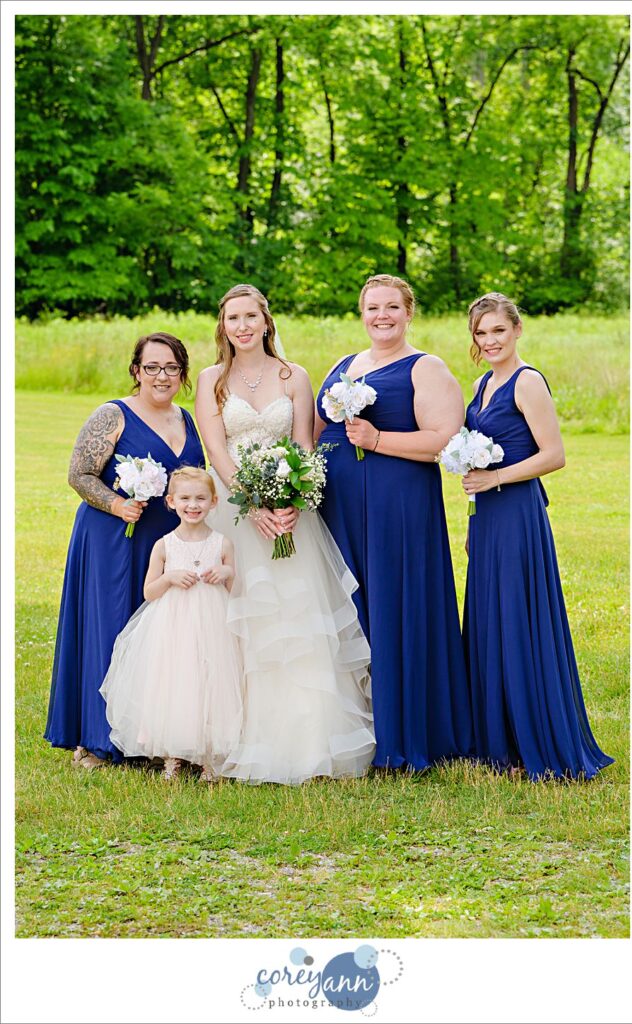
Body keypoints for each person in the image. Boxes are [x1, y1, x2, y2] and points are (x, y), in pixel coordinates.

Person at [195, 283, 375, 785]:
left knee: (299, 623)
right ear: (223, 325)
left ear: (267, 321)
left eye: (251, 316)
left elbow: (303, 444)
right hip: (237, 514)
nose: (243, 326)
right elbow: (218, 454)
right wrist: (252, 505)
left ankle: (311, 740)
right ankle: (232, 739)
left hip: (293, 515)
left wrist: (293, 501)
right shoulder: (211, 379)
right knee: (237, 622)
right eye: (233, 318)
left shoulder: (293, 376)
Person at [315, 274, 473, 771]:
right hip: (341, 506)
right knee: (350, 605)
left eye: (391, 307)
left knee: (395, 603)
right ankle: (354, 726)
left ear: (409, 312)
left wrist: (378, 439)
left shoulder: (425, 367)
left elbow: (444, 440)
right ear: (361, 313)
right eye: (372, 308)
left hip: (397, 507)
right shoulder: (345, 365)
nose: (381, 316)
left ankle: (406, 730)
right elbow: (321, 431)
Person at [461, 292, 614, 780]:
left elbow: (554, 454)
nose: (490, 341)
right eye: (481, 334)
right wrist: (471, 518)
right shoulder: (484, 382)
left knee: (517, 618)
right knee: (490, 621)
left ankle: (535, 742)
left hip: (517, 512)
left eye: (498, 331)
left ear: (517, 330)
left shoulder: (527, 382)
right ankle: (499, 742)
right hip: (487, 515)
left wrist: (498, 480)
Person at [44, 332, 204, 769]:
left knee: (160, 636)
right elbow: (79, 474)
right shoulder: (112, 414)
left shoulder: (187, 421)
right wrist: (117, 503)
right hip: (114, 538)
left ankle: (152, 736)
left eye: (171, 367)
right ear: (136, 371)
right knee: (111, 627)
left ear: (182, 374)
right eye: (151, 366)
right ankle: (98, 741)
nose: (161, 375)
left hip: (167, 543)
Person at [100, 467, 243, 782]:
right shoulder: (165, 545)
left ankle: (210, 756)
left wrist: (227, 574)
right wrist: (169, 577)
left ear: (214, 501)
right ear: (171, 502)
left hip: (212, 624)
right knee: (175, 683)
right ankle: (173, 756)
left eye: (201, 499)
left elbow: (237, 589)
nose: (193, 505)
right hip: (173, 626)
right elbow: (149, 592)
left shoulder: (222, 544)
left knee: (210, 682)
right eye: (185, 498)